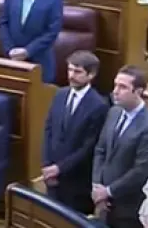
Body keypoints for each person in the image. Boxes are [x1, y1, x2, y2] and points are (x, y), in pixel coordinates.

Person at [92, 66, 148, 226]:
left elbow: (141, 171)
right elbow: (100, 150)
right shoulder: (114, 112)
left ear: (138, 92)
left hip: (126, 207)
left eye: (122, 87)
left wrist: (109, 191)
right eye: (115, 85)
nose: (115, 91)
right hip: (102, 200)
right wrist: (97, 186)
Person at [41, 51, 109, 215]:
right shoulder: (60, 94)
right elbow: (48, 129)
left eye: (77, 72)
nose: (71, 76)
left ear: (91, 75)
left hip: (76, 180)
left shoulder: (99, 105)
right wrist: (47, 164)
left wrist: (59, 168)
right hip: (52, 175)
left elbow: (88, 147)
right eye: (70, 70)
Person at [0, 0, 63, 84]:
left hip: (39, 62)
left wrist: (27, 51)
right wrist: (10, 49)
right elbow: (3, 22)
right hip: (12, 59)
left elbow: (52, 32)